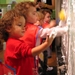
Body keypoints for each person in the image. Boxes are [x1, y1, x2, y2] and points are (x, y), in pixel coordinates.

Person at [14, 1, 68, 75]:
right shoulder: (32, 29)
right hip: (28, 60)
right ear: (25, 16)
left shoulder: (26, 27)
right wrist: (66, 29)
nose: (36, 15)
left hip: (28, 59)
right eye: (33, 13)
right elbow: (50, 32)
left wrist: (61, 25)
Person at [0, 9, 54, 75]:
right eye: (20, 25)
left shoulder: (15, 41)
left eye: (24, 25)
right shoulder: (14, 44)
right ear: (8, 28)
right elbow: (31, 52)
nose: (24, 28)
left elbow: (25, 58)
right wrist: (46, 44)